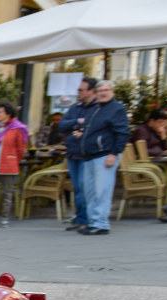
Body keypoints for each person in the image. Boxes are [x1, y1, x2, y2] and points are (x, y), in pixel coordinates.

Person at [76, 80, 130, 236]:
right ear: (95, 92)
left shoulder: (117, 109)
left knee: (102, 191)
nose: (103, 93)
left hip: (105, 155)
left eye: (106, 90)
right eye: (100, 90)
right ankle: (93, 222)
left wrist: (114, 153)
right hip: (89, 156)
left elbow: (122, 133)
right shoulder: (96, 108)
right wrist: (83, 134)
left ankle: (101, 223)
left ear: (112, 91)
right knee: (91, 192)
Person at [57, 76, 97, 231]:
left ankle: (86, 217)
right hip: (73, 153)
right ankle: (80, 216)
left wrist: (82, 125)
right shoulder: (76, 107)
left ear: (91, 91)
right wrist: (77, 122)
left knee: (84, 186)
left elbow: (93, 126)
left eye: (81, 89)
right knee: (77, 187)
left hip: (87, 154)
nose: (78, 92)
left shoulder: (97, 108)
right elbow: (62, 125)